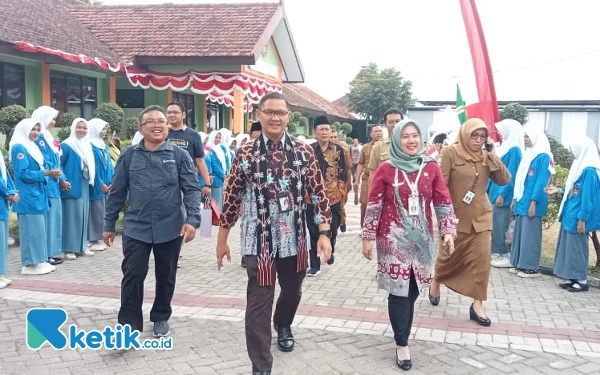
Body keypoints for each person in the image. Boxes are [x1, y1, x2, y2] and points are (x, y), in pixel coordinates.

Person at [216, 92, 332, 375]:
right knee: (258, 303)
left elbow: (318, 194)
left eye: (281, 112)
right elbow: (231, 198)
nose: (275, 117)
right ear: (258, 114)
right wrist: (222, 239)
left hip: (295, 237)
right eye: (269, 112)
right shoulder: (245, 153)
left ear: (288, 117)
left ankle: (283, 322)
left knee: (292, 291)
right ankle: (261, 366)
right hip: (259, 240)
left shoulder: (304, 152)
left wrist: (324, 233)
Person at [362, 120, 457, 370]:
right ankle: (402, 342)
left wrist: (448, 232)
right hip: (392, 240)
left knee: (413, 289)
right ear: (396, 140)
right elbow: (374, 204)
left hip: (422, 241)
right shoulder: (385, 169)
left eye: (415, 135)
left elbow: (443, 201)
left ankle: (402, 328)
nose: (411, 141)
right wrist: (367, 237)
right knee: (399, 291)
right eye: (405, 137)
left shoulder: (431, 167)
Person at [104, 105, 202, 336]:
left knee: (166, 276)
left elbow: (191, 189)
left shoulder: (179, 155)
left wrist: (192, 220)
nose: (158, 124)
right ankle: (128, 326)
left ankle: (160, 316)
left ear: (168, 127)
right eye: (151, 121)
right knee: (132, 275)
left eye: (162, 121)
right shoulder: (129, 155)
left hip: (170, 226)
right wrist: (109, 225)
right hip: (136, 227)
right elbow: (117, 191)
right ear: (141, 128)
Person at [429, 118, 511, 327]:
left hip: (482, 217)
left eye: (482, 136)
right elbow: (441, 186)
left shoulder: (486, 155)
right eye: (474, 135)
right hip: (455, 217)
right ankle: (436, 280)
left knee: (482, 262)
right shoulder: (450, 153)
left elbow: (504, 180)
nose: (478, 140)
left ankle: (478, 305)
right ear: (465, 134)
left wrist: (494, 156)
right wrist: (443, 214)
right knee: (448, 256)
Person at [547, 136, 600, 292]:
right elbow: (574, 189)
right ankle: (572, 277)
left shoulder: (589, 170)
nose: (571, 152)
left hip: (578, 217)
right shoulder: (580, 166)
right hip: (570, 215)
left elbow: (588, 198)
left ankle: (581, 280)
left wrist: (582, 219)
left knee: (578, 249)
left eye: (573, 148)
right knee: (569, 248)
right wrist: (559, 190)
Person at [10, 119, 58, 275]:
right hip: (28, 195)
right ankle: (29, 264)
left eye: (38, 129)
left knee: (39, 229)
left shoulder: (33, 146)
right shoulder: (19, 147)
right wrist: (46, 173)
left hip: (37, 193)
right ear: (25, 130)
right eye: (33, 129)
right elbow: (23, 174)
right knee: (31, 230)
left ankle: (39, 260)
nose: (36, 132)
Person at [305, 116, 348, 276]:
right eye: (321, 129)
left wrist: (341, 192)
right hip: (312, 199)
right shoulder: (308, 150)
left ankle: (331, 247)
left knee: (333, 229)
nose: (324, 132)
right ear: (314, 132)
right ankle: (315, 265)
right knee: (313, 230)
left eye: (327, 129)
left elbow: (343, 174)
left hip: (333, 198)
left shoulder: (339, 151)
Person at [509, 125, 553, 278]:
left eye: (527, 136)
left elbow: (541, 182)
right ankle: (518, 263)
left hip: (533, 203)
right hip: (522, 201)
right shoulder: (529, 154)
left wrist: (534, 202)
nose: (525, 139)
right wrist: (515, 199)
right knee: (520, 234)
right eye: (524, 137)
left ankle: (530, 267)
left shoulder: (543, 156)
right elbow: (520, 180)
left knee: (530, 235)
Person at [32, 106, 65, 266]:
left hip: (55, 182)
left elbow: (57, 161)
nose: (53, 122)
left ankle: (52, 252)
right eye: (51, 119)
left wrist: (61, 177)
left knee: (55, 219)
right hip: (48, 182)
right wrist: (55, 174)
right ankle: (47, 254)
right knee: (50, 220)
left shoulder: (48, 137)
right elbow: (46, 161)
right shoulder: (40, 139)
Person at [489, 119, 524, 268]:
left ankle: (502, 252)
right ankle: (496, 251)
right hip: (494, 192)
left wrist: (503, 194)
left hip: (502, 194)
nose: (499, 133)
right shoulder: (505, 147)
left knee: (500, 225)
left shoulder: (514, 149)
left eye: (501, 130)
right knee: (494, 224)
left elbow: (512, 174)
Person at [61, 118, 96, 260]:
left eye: (84, 128)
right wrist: (63, 180)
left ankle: (81, 246)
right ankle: (69, 248)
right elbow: (59, 164)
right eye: (79, 127)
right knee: (71, 216)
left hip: (84, 183)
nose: (82, 130)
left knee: (83, 215)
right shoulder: (66, 145)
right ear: (73, 128)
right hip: (71, 184)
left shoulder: (87, 144)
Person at [87, 118, 114, 251]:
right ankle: (92, 238)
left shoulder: (103, 145)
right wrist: (100, 183)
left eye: (105, 129)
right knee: (95, 210)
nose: (104, 132)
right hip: (96, 185)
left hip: (107, 184)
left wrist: (112, 180)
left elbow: (109, 165)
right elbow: (93, 168)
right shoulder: (90, 145)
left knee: (103, 211)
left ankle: (98, 236)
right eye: (102, 129)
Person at [354, 125, 383, 227]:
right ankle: (364, 227)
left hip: (381, 179)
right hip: (367, 178)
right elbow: (361, 163)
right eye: (376, 131)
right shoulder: (365, 147)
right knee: (365, 203)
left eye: (380, 131)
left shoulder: (386, 146)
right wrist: (356, 180)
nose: (379, 133)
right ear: (371, 134)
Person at [368, 109, 404, 186]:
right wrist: (371, 197)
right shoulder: (378, 147)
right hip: (386, 192)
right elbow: (372, 173)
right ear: (385, 124)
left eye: (398, 121)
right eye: (390, 122)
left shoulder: (412, 145)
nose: (394, 125)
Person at [0, 147, 18, 287]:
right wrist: (8, 193)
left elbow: (5, 175)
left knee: (2, 240)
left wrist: (12, 191)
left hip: (3, 202)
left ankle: (1, 274)